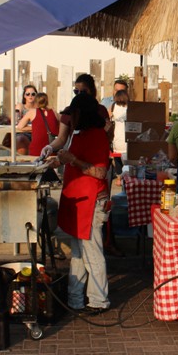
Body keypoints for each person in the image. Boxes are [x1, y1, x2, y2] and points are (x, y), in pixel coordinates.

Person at [47, 92, 111, 316]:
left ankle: (98, 299)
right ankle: (75, 298)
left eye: (71, 114)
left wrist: (72, 160)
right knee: (77, 253)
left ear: (79, 114)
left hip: (91, 203)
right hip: (79, 203)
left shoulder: (96, 136)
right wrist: (56, 160)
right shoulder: (80, 134)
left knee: (92, 254)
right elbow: (74, 161)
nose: (69, 119)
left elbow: (100, 171)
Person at [15, 92, 59, 157]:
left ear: (36, 102)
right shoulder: (54, 112)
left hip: (37, 151)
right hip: (52, 149)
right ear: (47, 101)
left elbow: (19, 126)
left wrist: (35, 128)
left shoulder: (32, 112)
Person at [13, 84, 37, 155]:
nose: (30, 96)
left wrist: (25, 126)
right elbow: (17, 124)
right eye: (28, 94)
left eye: (33, 94)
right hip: (22, 133)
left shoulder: (38, 108)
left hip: (35, 133)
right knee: (21, 139)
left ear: (36, 95)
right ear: (24, 96)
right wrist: (33, 127)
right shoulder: (20, 106)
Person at [110, 89, 129, 170]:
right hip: (126, 143)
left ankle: (119, 178)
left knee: (119, 167)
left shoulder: (114, 106)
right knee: (127, 168)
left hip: (116, 142)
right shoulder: (129, 108)